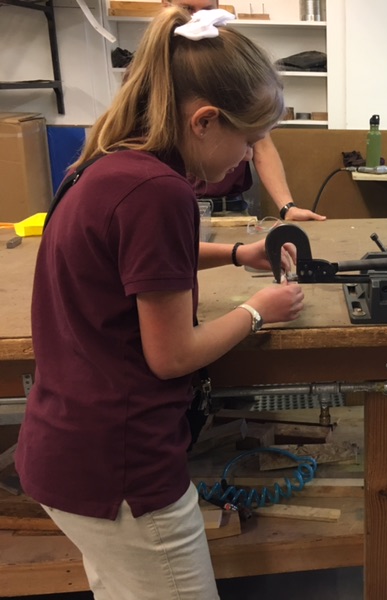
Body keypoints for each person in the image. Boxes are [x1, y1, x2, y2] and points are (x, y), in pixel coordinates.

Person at [15, 8, 304, 599]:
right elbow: (171, 355)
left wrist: (235, 253)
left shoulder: (110, 162)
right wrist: (257, 311)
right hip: (121, 470)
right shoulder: (159, 192)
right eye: (247, 142)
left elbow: (138, 258)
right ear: (204, 121)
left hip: (70, 446)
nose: (248, 159)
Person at [165, 0, 326, 222]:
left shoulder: (231, 69)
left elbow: (262, 145)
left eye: (208, 10)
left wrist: (287, 207)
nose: (197, 18)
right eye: (187, 9)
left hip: (229, 206)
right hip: (179, 205)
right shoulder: (151, 189)